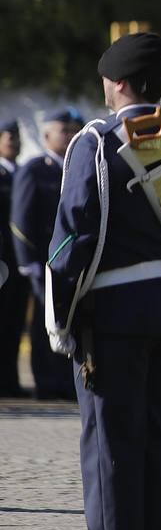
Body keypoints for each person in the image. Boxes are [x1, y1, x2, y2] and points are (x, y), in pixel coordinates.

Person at [45, 32, 161, 530]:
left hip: (111, 312)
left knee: (110, 439)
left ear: (117, 84)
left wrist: (61, 315)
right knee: (154, 433)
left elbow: (73, 240)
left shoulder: (95, 144)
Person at [10, 107, 83, 400]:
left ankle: (65, 382)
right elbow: (21, 219)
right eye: (62, 131)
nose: (68, 136)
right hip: (44, 261)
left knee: (69, 321)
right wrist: (27, 261)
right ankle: (46, 383)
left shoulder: (75, 168)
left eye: (70, 130)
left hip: (70, 261)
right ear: (46, 136)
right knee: (45, 323)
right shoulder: (35, 169)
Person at [0, 118, 31, 397]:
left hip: (18, 262)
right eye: (7, 135)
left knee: (14, 323)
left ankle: (10, 382)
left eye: (16, 136)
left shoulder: (23, 172)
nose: (13, 140)